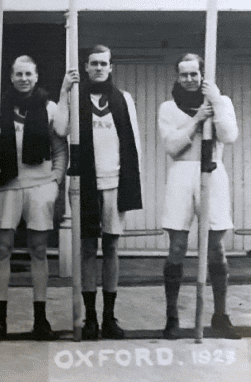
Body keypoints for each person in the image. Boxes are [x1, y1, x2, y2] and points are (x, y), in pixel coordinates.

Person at [0, 55, 68, 341]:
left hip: (40, 185)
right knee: (2, 248)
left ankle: (40, 319)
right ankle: (0, 320)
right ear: (11, 77)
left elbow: (60, 148)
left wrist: (56, 179)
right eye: (18, 74)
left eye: (28, 74)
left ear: (36, 76)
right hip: (7, 184)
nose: (23, 79)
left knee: (39, 249)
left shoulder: (49, 108)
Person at [57, 45, 142, 340]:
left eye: (103, 63)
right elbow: (60, 129)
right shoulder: (75, 97)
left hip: (115, 182)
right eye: (93, 63)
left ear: (111, 67)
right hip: (84, 184)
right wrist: (63, 92)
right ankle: (90, 317)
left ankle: (109, 316)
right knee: (87, 249)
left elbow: (134, 143)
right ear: (85, 67)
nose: (98, 68)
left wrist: (131, 182)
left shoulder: (123, 99)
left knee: (112, 247)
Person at [158, 53, 239, 340]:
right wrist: (197, 119)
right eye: (184, 74)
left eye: (194, 74)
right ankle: (172, 317)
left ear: (203, 75)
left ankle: (220, 315)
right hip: (182, 173)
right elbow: (172, 146)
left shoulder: (221, 101)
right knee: (177, 246)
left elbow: (228, 136)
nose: (190, 79)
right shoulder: (169, 107)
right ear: (177, 76)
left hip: (212, 170)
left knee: (215, 247)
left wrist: (215, 102)